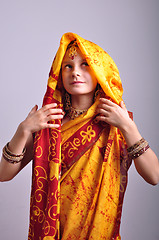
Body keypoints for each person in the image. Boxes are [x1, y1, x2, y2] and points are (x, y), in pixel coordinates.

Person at [0, 32, 159, 240]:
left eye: (85, 64)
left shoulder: (116, 123)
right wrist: (23, 130)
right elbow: (4, 174)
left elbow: (154, 176)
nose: (75, 72)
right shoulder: (49, 124)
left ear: (100, 71)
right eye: (68, 66)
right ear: (58, 73)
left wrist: (128, 127)